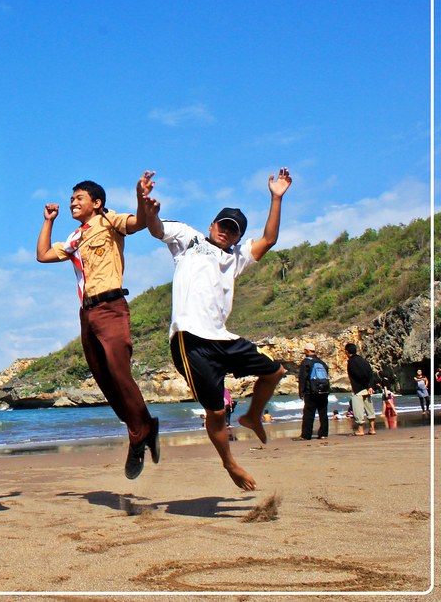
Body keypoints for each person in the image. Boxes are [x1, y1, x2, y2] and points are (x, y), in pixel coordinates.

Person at [143, 167, 292, 491]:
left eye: (233, 230)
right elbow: (155, 228)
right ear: (213, 225)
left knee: (274, 372)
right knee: (215, 410)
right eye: (223, 225)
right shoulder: (188, 239)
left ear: (238, 236)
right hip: (191, 338)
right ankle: (229, 463)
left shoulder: (236, 258)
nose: (226, 232)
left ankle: (253, 416)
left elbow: (269, 239)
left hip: (224, 338)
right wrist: (145, 205)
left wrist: (276, 197)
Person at [35, 174, 159, 479]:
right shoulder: (75, 238)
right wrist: (49, 220)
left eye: (79, 198)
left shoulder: (109, 220)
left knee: (119, 371)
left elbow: (140, 224)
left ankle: (139, 434)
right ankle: (142, 428)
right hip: (87, 314)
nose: (73, 202)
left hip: (112, 307)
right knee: (104, 380)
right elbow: (42, 255)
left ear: (97, 202)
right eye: (71, 199)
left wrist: (141, 198)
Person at [296, 341, 331, 440]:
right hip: (323, 391)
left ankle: (306, 435)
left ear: (306, 351)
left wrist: (301, 391)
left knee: (309, 413)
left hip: (311, 391)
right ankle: (323, 433)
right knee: (323, 412)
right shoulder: (321, 362)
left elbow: (303, 377)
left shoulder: (306, 362)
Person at [344, 343, 377, 436]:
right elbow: (370, 373)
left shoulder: (351, 362)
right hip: (368, 388)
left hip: (358, 388)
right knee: (369, 409)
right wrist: (370, 386)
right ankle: (372, 428)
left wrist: (366, 385)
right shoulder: (363, 360)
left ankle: (360, 430)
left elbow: (358, 374)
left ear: (347, 352)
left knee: (358, 409)